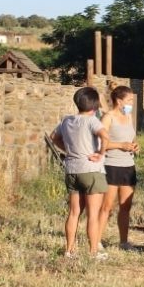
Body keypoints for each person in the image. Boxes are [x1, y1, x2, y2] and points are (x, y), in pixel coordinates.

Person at [51, 86, 111, 259]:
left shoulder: (67, 121)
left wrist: (68, 151)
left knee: (74, 212)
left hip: (72, 170)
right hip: (91, 170)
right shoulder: (92, 121)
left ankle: (69, 250)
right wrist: (101, 154)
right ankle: (93, 251)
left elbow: (54, 137)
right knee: (93, 215)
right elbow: (105, 136)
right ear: (95, 106)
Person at [101, 86, 140, 251]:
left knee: (126, 206)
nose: (132, 102)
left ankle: (124, 241)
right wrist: (120, 145)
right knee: (106, 206)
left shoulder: (129, 116)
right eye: (129, 100)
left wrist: (135, 145)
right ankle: (97, 240)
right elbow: (100, 144)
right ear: (119, 101)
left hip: (128, 165)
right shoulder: (108, 117)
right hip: (111, 165)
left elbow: (131, 137)